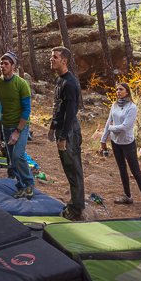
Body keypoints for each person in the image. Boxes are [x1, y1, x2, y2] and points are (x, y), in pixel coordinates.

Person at [100, 83, 141, 216]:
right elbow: (108, 122)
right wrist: (103, 139)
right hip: (115, 142)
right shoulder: (114, 105)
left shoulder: (132, 107)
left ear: (127, 92)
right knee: (122, 168)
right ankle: (127, 196)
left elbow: (125, 127)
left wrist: (111, 128)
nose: (118, 91)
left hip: (128, 143)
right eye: (117, 89)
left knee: (136, 172)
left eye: (121, 89)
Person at [48, 46, 85, 220]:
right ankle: (75, 202)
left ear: (64, 61)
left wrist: (63, 136)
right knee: (68, 167)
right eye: (51, 57)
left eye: (55, 57)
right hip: (61, 129)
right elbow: (59, 107)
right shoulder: (60, 80)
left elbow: (71, 112)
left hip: (69, 131)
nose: (51, 59)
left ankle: (77, 208)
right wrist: (52, 127)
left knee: (73, 168)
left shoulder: (70, 83)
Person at [0, 52, 34, 199]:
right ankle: (21, 186)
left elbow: (27, 109)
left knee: (18, 155)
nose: (2, 66)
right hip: (6, 125)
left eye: (6, 64)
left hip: (20, 125)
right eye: (1, 63)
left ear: (13, 66)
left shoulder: (21, 84)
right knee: (12, 160)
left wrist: (17, 131)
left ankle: (29, 184)